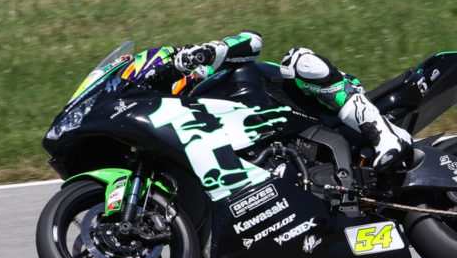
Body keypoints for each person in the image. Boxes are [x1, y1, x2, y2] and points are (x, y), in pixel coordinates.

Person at [126, 30, 412, 169]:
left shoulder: (205, 74)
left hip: (313, 106)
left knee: (300, 61)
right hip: (288, 155)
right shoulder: (188, 130)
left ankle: (382, 134)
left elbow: (253, 40)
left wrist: (209, 52)